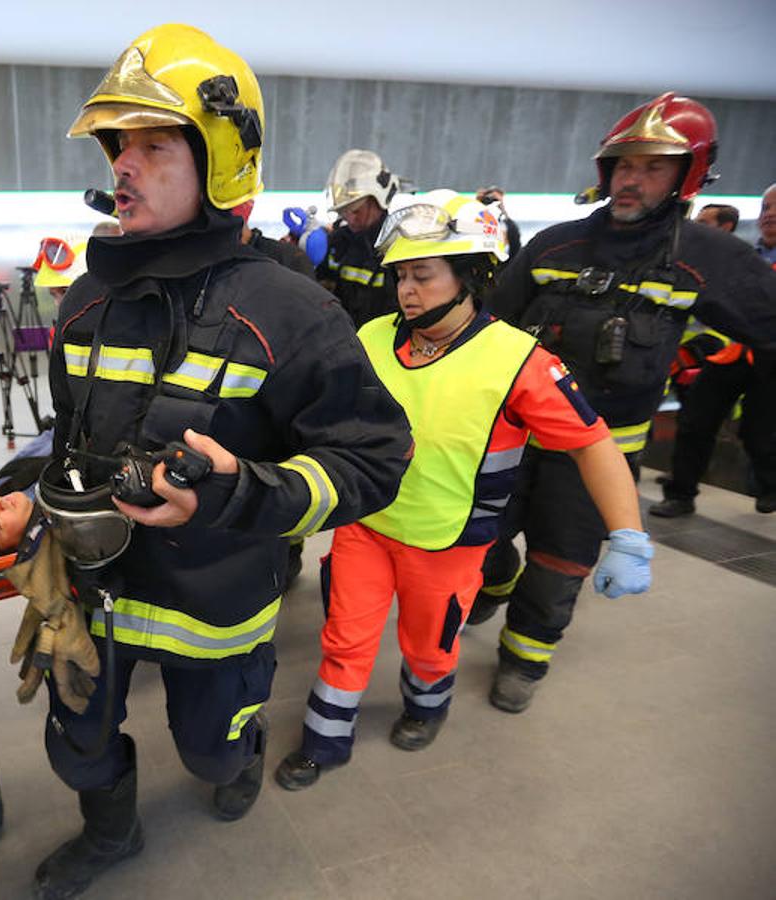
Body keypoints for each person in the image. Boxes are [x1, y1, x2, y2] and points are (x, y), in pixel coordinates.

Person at [30, 24, 412, 900]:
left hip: (217, 607)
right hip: (91, 590)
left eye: (154, 145)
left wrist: (246, 493)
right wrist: (34, 500)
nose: (123, 165)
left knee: (213, 747)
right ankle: (110, 831)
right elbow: (72, 431)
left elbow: (375, 458)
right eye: (116, 145)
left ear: (222, 160)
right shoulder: (87, 299)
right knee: (78, 738)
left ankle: (232, 760)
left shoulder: (291, 309)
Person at [275, 191, 652, 790]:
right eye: (400, 275)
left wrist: (629, 535)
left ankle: (426, 708)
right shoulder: (372, 338)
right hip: (365, 529)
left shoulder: (519, 362)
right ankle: (326, 738)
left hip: (451, 543)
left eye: (422, 275)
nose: (407, 291)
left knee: (428, 647)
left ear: (472, 275)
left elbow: (592, 442)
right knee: (345, 639)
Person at [466, 92, 776, 713]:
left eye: (654, 166)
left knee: (560, 561)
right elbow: (488, 331)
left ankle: (523, 661)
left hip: (598, 459)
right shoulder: (555, 246)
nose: (632, 180)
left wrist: (695, 361)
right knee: (479, 541)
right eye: (624, 166)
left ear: (687, 175)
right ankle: (495, 583)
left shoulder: (711, 260)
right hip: (513, 439)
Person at [652, 197, 776, 516]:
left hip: (769, 359)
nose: (769, 215)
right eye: (765, 208)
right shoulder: (740, 256)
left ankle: (770, 487)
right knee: (695, 422)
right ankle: (680, 494)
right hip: (728, 354)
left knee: (761, 429)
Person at [315, 149, 402, 327]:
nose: (350, 218)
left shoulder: (397, 247)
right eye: (344, 212)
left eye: (356, 210)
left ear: (378, 201)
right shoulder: (338, 243)